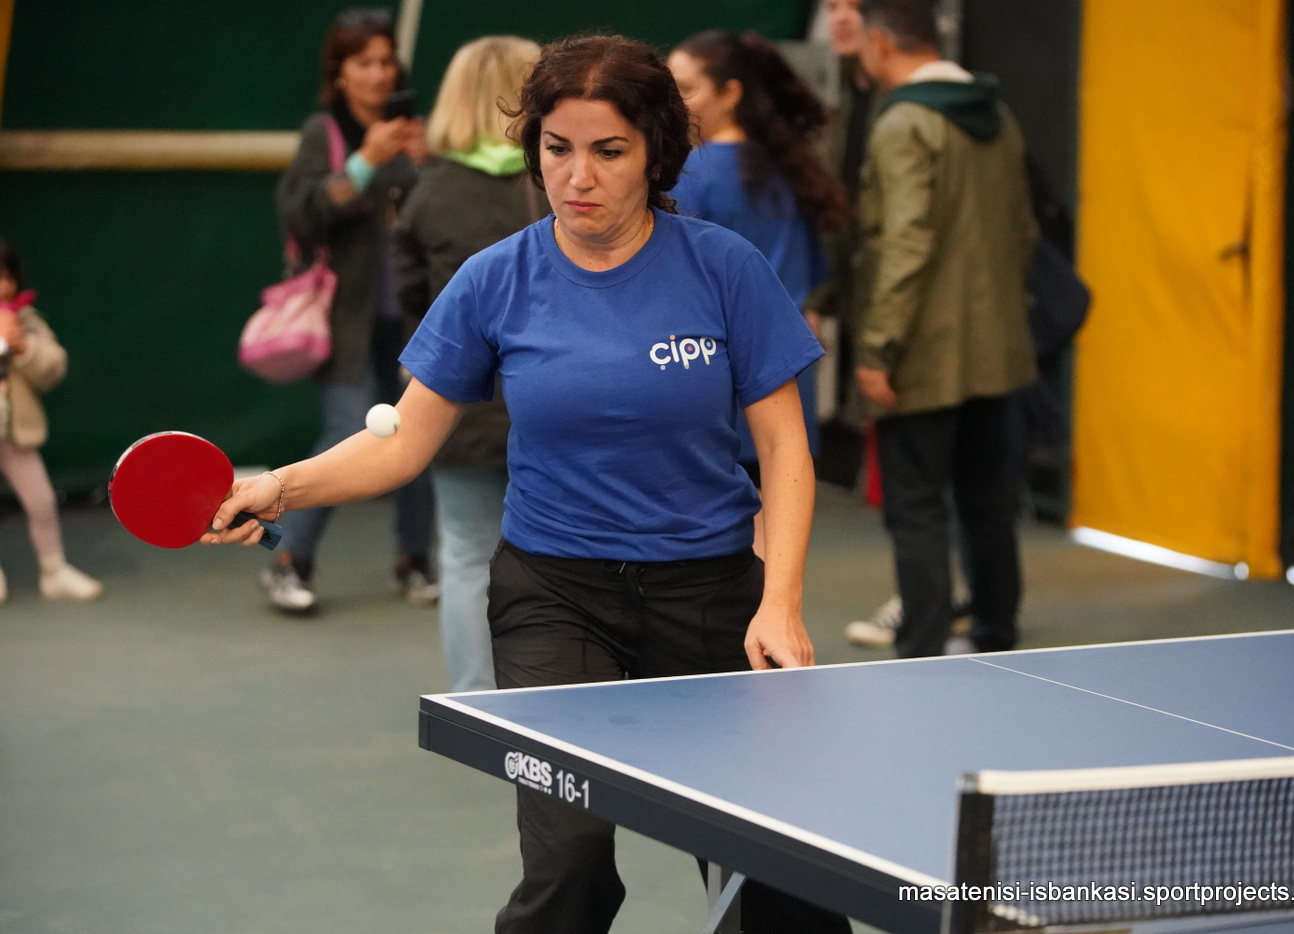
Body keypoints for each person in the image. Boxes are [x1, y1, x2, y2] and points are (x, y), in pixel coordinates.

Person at [205, 33, 848, 934]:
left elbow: (784, 448)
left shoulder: (724, 267)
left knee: (773, 875)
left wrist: (780, 604)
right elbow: (402, 442)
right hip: (557, 598)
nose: (578, 176)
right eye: (557, 148)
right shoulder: (495, 280)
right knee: (569, 864)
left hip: (709, 593)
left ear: (655, 153)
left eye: (608, 150)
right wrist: (277, 486)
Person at [851, 0, 1038, 658]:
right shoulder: (998, 115)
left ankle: (923, 651)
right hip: (998, 352)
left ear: (880, 43)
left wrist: (878, 346)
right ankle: (995, 634)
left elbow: (906, 241)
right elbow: (1024, 231)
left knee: (917, 506)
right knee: (988, 503)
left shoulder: (904, 121)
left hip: (923, 355)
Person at [264, 6, 437, 613]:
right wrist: (365, 161)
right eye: (364, 62)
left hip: (411, 316)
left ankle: (412, 560)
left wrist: (428, 165)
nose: (379, 73)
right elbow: (301, 213)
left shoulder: (414, 132)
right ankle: (288, 560)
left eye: (387, 61)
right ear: (340, 72)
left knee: (419, 431)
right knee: (347, 430)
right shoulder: (327, 133)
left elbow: (436, 219)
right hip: (346, 320)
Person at [394, 35, 544, 692]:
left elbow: (413, 303)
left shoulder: (430, 195)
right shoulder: (566, 186)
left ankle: (478, 704)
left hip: (461, 412)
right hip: (557, 406)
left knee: (464, 554)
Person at [666, 28, 848, 550]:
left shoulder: (691, 176)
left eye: (687, 89)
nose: (676, 103)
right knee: (774, 533)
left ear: (731, 93)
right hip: (786, 374)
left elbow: (674, 284)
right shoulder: (788, 168)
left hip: (715, 376)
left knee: (712, 544)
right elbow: (812, 285)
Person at [0, 238, 102, 603]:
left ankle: (54, 571)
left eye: (6, 276)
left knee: (42, 501)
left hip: (16, 437)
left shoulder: (26, 320)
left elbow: (52, 368)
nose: (2, 285)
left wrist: (22, 347)